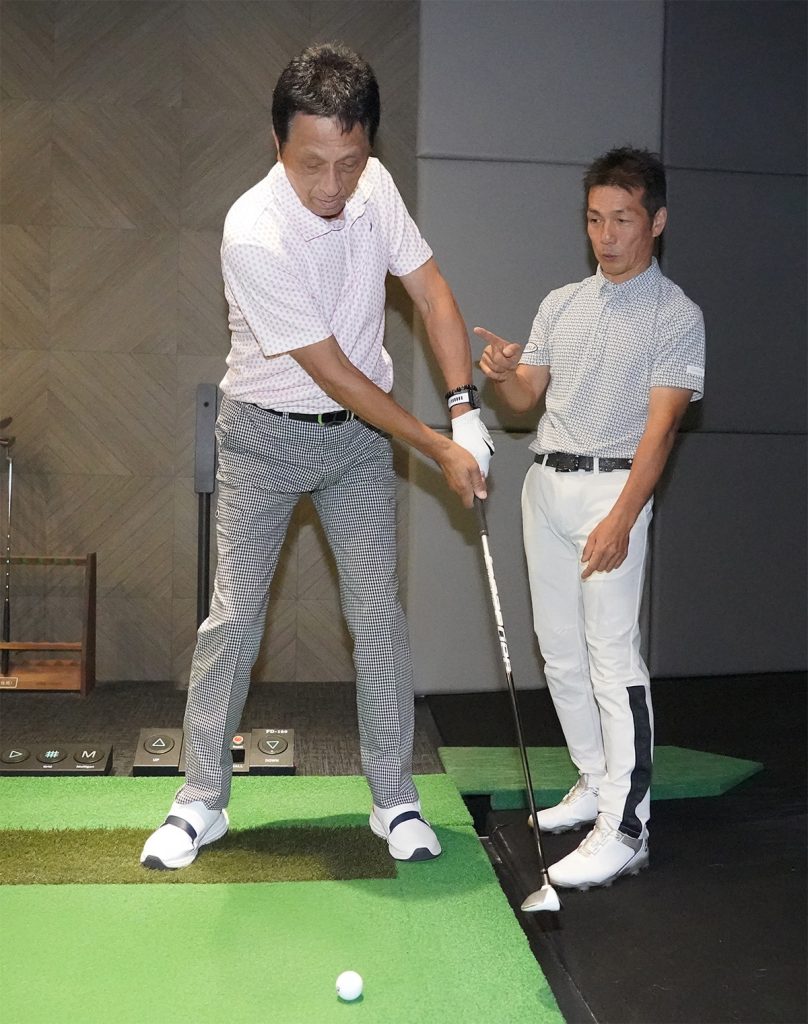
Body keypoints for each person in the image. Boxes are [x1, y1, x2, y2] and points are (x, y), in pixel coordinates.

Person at [141, 43, 493, 870]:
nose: (333, 185)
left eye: (350, 160)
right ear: (277, 144)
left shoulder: (375, 189)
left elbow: (432, 291)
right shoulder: (252, 232)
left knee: (378, 618)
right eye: (312, 165)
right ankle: (200, 800)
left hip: (356, 446)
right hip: (263, 438)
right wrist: (436, 445)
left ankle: (394, 798)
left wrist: (464, 405)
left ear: (368, 144)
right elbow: (332, 370)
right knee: (236, 618)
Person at [476, 147, 705, 890]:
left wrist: (623, 517)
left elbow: (660, 433)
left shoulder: (677, 316)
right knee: (559, 653)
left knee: (612, 658)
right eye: (595, 219)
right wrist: (505, 375)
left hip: (613, 491)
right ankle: (593, 780)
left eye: (623, 220)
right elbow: (526, 398)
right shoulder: (560, 304)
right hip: (545, 484)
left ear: (657, 222)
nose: (606, 235)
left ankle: (627, 827)